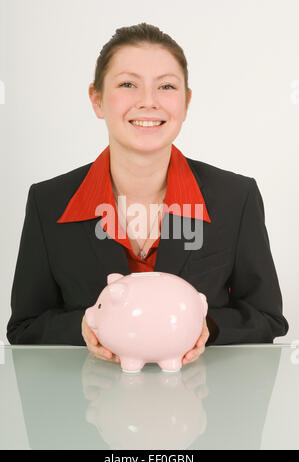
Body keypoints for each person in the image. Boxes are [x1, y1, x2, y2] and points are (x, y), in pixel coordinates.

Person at [7, 23, 288, 366]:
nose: (148, 102)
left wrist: (206, 327)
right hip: (85, 406)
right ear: (97, 99)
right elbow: (24, 328)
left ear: (185, 102)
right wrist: (83, 326)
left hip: (204, 408)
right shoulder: (48, 202)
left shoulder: (236, 197)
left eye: (166, 86)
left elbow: (267, 318)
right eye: (128, 84)